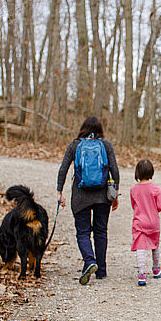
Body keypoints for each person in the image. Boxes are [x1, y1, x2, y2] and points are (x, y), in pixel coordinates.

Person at [57, 116, 120, 285]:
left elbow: (63, 168)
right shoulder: (106, 145)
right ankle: (101, 270)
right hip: (102, 196)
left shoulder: (75, 145)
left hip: (80, 196)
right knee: (101, 232)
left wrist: (59, 191)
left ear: (82, 128)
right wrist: (116, 192)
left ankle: (89, 260)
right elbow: (114, 169)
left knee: (83, 232)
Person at [130, 159, 161, 286]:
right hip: (153, 222)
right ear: (151, 172)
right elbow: (160, 206)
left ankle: (142, 273)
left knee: (141, 246)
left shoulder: (134, 190)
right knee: (154, 244)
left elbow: (134, 206)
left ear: (137, 173)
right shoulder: (156, 189)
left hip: (140, 222)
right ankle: (156, 268)